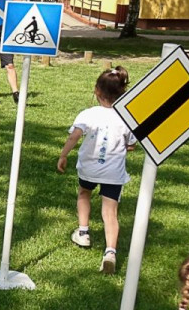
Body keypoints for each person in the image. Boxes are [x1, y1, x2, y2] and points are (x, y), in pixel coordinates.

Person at [57, 67, 135, 273]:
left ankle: (83, 233)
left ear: (96, 91)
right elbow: (131, 144)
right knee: (110, 212)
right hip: (113, 173)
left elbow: (74, 136)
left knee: (84, 194)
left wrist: (63, 155)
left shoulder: (88, 114)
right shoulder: (126, 117)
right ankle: (110, 252)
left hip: (89, 168)